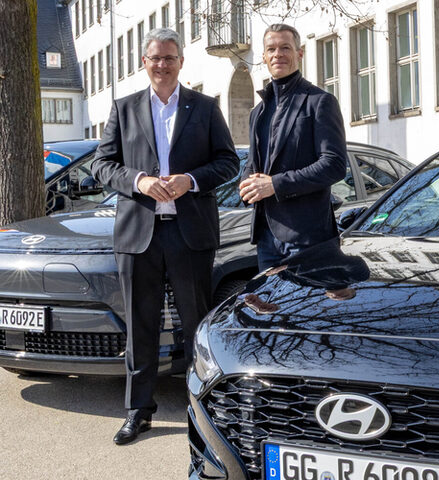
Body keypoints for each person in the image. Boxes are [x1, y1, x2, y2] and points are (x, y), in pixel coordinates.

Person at [91, 28, 238, 445]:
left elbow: (228, 162)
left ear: (180, 62)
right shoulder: (124, 108)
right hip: (139, 235)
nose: (162, 65)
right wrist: (138, 181)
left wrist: (190, 180)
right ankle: (138, 411)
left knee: (196, 326)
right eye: (155, 58)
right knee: (140, 327)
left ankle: (203, 412)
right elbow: (102, 165)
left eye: (169, 58)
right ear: (144, 62)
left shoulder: (205, 108)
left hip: (190, 234)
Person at [239, 23, 349, 271]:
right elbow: (253, 164)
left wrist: (275, 184)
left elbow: (334, 165)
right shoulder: (258, 111)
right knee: (269, 299)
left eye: (285, 48)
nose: (278, 54)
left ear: (299, 54)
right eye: (271, 49)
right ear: (264, 57)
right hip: (266, 238)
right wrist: (247, 184)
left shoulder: (320, 101)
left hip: (308, 239)